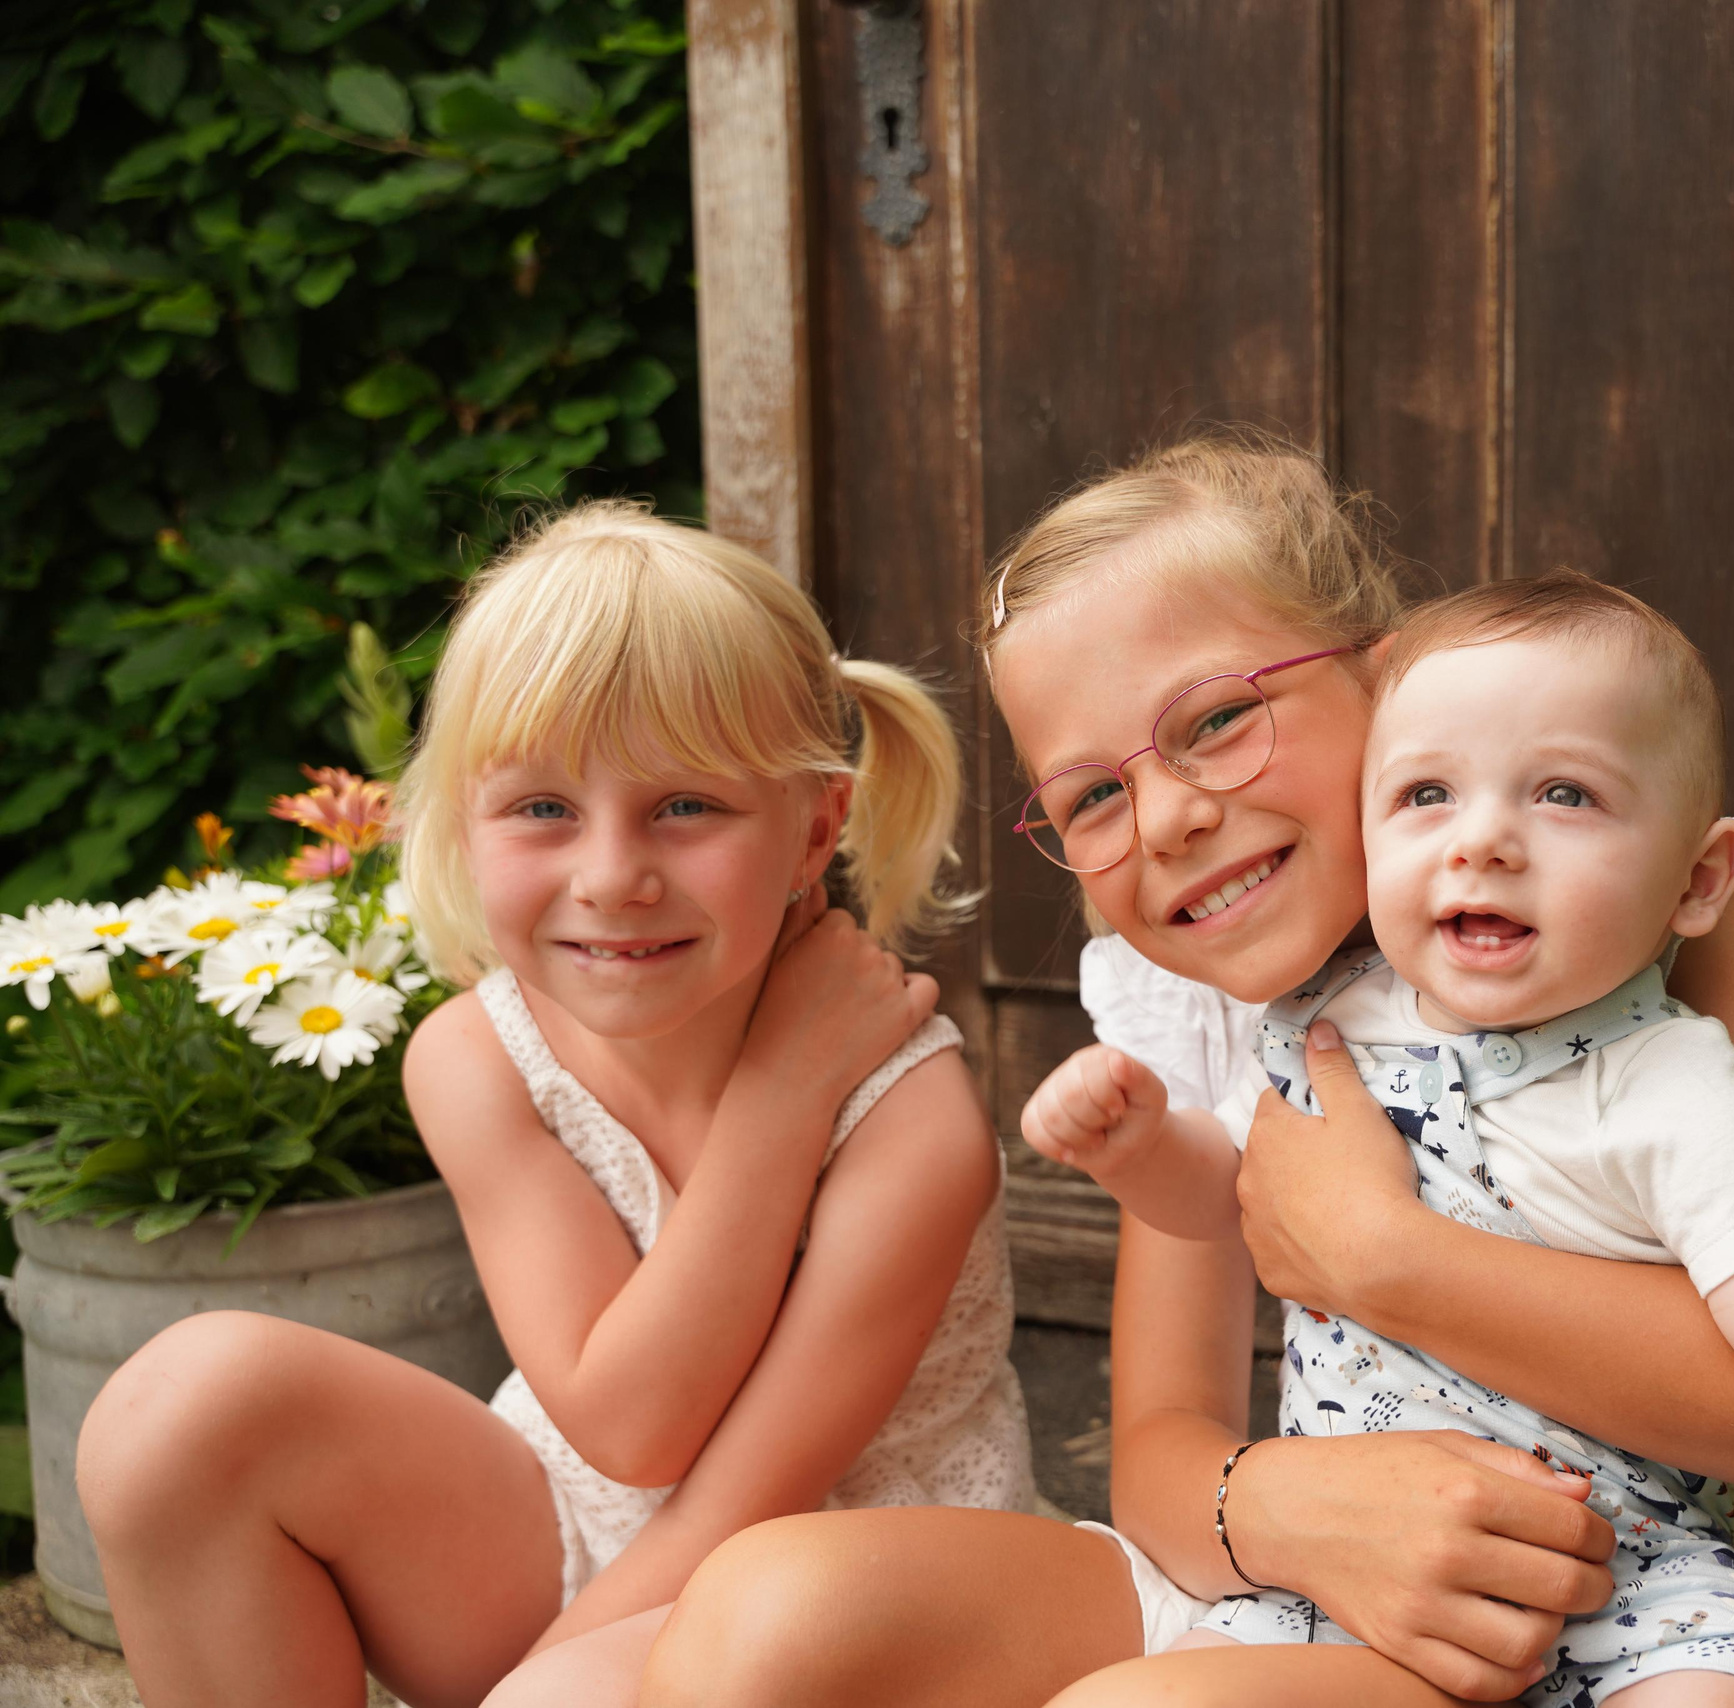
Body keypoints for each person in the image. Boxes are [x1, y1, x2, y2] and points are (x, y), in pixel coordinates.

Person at [638, 435, 1734, 1708]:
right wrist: (1294, 1514)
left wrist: (1381, 1256)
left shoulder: (1624, 898)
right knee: (760, 1615)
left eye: (1218, 719)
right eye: (1092, 797)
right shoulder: (1199, 991)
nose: (1167, 818)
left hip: (1599, 1602)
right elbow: (1163, 1452)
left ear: (1388, 685)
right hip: (1284, 1579)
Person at [74, 503, 1036, 1708]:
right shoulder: (479, 1057)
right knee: (179, 1409)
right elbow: (624, 1425)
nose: (611, 876)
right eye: (541, 809)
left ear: (814, 828)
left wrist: (536, 1691)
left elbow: (739, 1504)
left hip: (852, 1602)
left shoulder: (909, 1126)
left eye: (686, 806)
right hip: (590, 1540)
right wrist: (777, 1093)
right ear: (462, 824)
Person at [1024, 571, 1734, 1705]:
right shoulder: (1328, 1025)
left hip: (1638, 1591)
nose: (1485, 843)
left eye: (1562, 794)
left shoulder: (1679, 1085)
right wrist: (1137, 1149)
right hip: (1351, 1594)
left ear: (1698, 879)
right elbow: (1233, 1193)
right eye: (1427, 796)